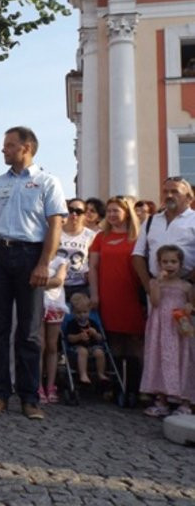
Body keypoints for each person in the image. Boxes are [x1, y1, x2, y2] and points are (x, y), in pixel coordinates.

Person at [0, 126, 66, 421]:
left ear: (26, 148)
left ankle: (30, 397)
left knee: (29, 332)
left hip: (30, 256)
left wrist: (44, 263)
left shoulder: (48, 182)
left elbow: (55, 225)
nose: (3, 149)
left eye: (9, 145)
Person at [88, 196, 144, 389]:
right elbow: (93, 267)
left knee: (135, 340)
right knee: (114, 340)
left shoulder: (137, 237)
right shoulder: (100, 237)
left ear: (127, 213)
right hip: (108, 294)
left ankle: (136, 387)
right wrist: (94, 294)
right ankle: (117, 387)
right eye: (109, 211)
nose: (111, 215)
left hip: (131, 294)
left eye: (116, 211)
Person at [140, 245, 195, 417]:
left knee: (182, 359)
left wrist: (189, 308)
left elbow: (191, 305)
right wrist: (158, 282)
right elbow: (155, 301)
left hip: (178, 327)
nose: (169, 265)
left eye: (173, 262)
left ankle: (185, 401)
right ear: (159, 264)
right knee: (160, 358)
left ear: (180, 264)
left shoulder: (186, 286)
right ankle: (161, 399)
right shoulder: (155, 283)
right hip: (160, 326)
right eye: (165, 262)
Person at [132, 177, 195, 299]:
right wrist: (148, 286)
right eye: (165, 191)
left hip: (188, 291)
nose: (169, 195)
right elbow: (138, 255)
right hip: (156, 290)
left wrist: (190, 284)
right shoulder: (151, 221)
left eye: (175, 192)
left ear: (189, 198)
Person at [39, 253, 68, 404]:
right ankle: (37, 385)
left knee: (52, 346)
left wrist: (36, 282)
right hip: (37, 304)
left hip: (55, 305)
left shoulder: (61, 261)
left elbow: (58, 281)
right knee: (39, 345)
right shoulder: (35, 258)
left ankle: (50, 386)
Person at [65, 292, 108, 385]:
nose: (82, 315)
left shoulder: (92, 323)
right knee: (83, 351)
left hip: (92, 346)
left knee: (99, 352)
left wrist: (95, 334)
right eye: (78, 312)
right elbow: (69, 338)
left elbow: (100, 338)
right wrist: (79, 336)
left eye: (85, 312)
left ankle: (101, 373)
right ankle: (83, 374)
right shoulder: (72, 324)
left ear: (89, 311)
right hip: (77, 346)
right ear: (73, 312)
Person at [57, 198, 95, 302]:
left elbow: (93, 264)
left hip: (80, 287)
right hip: (56, 285)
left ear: (85, 215)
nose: (74, 214)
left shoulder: (91, 236)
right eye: (70, 210)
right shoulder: (55, 231)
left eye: (79, 211)